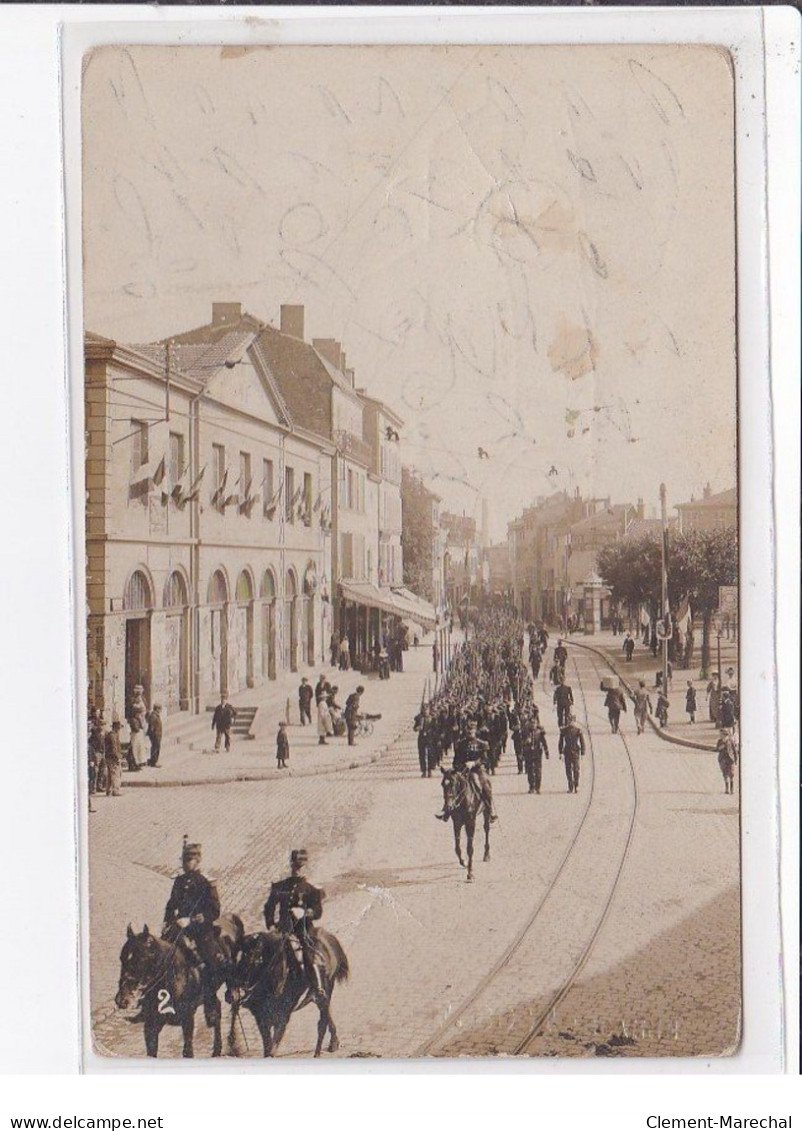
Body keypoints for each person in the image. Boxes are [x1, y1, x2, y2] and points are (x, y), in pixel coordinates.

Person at [162, 838, 222, 1021]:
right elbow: (171, 904)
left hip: (200, 931)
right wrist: (169, 921)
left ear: (198, 861)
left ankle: (211, 1002)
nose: (187, 864)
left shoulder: (206, 883)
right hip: (179, 929)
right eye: (185, 860)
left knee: (210, 964)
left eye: (190, 860)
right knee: (159, 956)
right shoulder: (179, 881)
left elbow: (214, 910)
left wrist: (192, 920)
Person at [263, 849, 325, 994]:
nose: (298, 870)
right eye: (295, 866)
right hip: (283, 929)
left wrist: (305, 913)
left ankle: (318, 988)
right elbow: (269, 907)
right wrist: (271, 924)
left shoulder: (311, 889)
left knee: (308, 954)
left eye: (301, 867)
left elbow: (317, 911)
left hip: (303, 929)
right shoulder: (280, 886)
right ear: (291, 865)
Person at [439, 719, 497, 821]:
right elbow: (456, 760)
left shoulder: (481, 744)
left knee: (485, 785)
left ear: (475, 731)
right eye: (468, 731)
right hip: (463, 770)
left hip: (477, 770)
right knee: (451, 785)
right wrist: (457, 768)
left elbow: (485, 759)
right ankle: (447, 809)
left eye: (472, 731)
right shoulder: (461, 744)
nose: (470, 733)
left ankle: (490, 810)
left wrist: (474, 763)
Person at [558, 713, 585, 793]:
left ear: (574, 721)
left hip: (576, 751)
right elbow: (560, 742)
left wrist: (583, 753)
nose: (571, 722)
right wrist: (561, 753)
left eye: (572, 721)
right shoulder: (564, 731)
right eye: (569, 721)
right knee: (568, 770)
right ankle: (570, 786)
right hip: (567, 751)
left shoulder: (578, 731)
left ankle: (576, 785)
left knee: (576, 769)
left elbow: (582, 742)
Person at [522, 717, 550, 794]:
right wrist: (525, 742)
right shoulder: (525, 732)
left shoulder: (539, 732)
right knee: (530, 771)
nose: (533, 725)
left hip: (537, 753)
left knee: (538, 771)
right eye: (531, 723)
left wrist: (546, 752)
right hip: (529, 754)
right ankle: (531, 787)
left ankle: (538, 787)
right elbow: (521, 743)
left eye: (534, 723)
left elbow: (544, 742)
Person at [104, 719, 123, 796]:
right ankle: (115, 790)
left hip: (109, 757)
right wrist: (117, 757)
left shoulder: (111, 734)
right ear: (116, 727)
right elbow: (114, 748)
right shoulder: (113, 735)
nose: (119, 729)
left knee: (110, 774)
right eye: (119, 728)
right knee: (116, 774)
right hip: (113, 757)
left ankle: (108, 790)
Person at [716, 729, 738, 795]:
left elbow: (734, 750)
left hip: (730, 759)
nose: (720, 736)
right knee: (725, 773)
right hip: (722, 759)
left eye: (721, 734)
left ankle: (732, 789)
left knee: (731, 774)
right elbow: (717, 749)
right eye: (720, 734)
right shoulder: (720, 741)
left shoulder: (730, 741)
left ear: (725, 735)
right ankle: (727, 788)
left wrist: (736, 759)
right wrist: (721, 747)